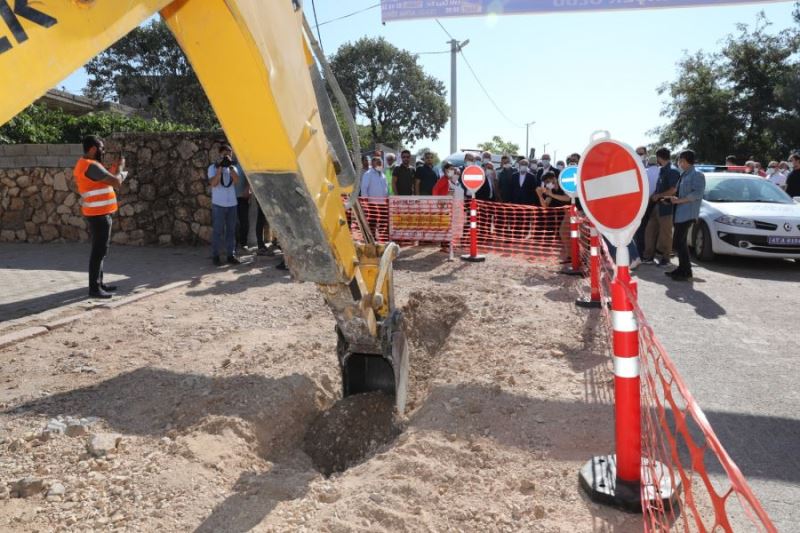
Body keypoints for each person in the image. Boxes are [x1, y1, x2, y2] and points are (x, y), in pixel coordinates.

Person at [73, 135, 127, 299]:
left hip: (101, 213)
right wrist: (122, 170)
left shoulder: (90, 165)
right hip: (98, 214)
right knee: (99, 251)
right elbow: (115, 182)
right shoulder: (90, 166)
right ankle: (94, 289)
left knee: (101, 250)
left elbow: (104, 181)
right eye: (101, 148)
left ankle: (99, 283)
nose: (103, 151)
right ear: (93, 149)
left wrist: (115, 168)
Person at [664, 149, 705, 281]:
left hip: (687, 214)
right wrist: (670, 198)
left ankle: (685, 270)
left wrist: (679, 200)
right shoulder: (684, 174)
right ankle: (684, 269)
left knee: (678, 242)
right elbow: (680, 192)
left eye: (681, 161)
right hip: (680, 213)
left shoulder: (697, 175)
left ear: (686, 161)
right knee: (680, 243)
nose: (679, 163)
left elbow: (697, 194)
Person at [643, 148, 680, 266]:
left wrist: (658, 195)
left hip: (666, 207)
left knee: (665, 234)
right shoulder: (662, 170)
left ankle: (666, 259)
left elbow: (673, 190)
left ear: (659, 157)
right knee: (650, 231)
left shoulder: (672, 171)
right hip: (656, 206)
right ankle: (648, 257)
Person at [208, 144, 241, 266]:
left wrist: (230, 168)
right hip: (218, 204)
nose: (228, 156)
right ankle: (216, 256)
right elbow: (214, 184)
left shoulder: (233, 168)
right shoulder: (212, 167)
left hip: (232, 204)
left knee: (231, 231)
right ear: (220, 154)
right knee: (217, 231)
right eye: (225, 154)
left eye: (230, 154)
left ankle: (230, 255)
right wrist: (220, 169)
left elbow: (236, 181)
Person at [234, 157, 251, 253]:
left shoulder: (243, 163)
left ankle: (243, 243)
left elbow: (249, 177)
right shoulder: (229, 164)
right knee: (234, 223)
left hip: (242, 198)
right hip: (231, 199)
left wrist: (248, 188)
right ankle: (234, 245)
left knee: (244, 223)